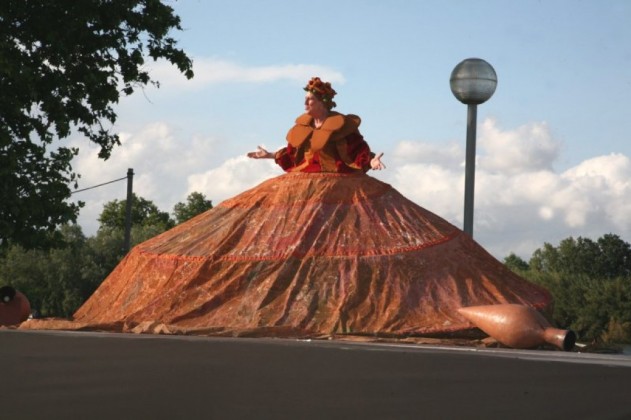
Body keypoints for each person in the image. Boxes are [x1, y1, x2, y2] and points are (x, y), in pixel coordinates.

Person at [247, 77, 385, 172]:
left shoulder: (342, 126)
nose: (305, 103)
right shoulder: (303, 127)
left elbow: (358, 151)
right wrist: (269, 155)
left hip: (339, 183)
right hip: (305, 179)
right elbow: (292, 154)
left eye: (310, 99)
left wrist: (371, 161)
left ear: (322, 102)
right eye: (305, 99)